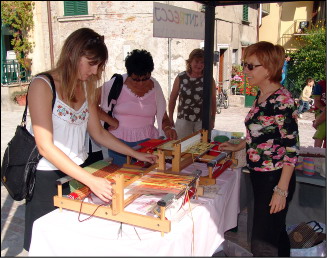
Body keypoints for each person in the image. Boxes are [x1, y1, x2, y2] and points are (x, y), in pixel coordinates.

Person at [25, 28, 156, 251]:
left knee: (73, 242)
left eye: (99, 65)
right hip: (47, 176)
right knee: (47, 244)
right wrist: (91, 180)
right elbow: (45, 146)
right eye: (91, 63)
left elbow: (98, 133)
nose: (95, 71)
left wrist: (135, 153)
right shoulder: (42, 85)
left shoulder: (86, 86)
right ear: (73, 54)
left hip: (78, 171)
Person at [219, 41, 299, 257]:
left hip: (275, 178)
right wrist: (238, 145)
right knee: (276, 232)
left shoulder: (282, 100)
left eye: (250, 66)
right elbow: (260, 132)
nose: (245, 70)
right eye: (245, 65)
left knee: (262, 244)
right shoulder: (262, 95)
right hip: (261, 175)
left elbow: (292, 149)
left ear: (268, 68)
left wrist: (281, 191)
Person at [95, 49, 177, 166]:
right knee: (123, 176)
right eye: (136, 79)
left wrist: (168, 128)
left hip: (148, 141)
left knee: (146, 177)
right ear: (129, 74)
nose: (141, 83)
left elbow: (163, 116)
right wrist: (110, 121)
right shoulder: (116, 84)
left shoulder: (156, 88)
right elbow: (89, 101)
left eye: (145, 78)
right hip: (119, 143)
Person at [168, 48, 216, 139]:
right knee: (182, 147)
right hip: (183, 119)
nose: (199, 65)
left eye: (202, 62)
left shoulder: (209, 79)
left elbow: (213, 100)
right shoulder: (181, 77)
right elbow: (173, 98)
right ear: (190, 62)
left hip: (202, 120)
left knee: (201, 147)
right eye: (197, 61)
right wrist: (170, 117)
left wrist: (212, 119)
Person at [312, 79, 326, 148]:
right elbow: (316, 101)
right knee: (323, 128)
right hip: (321, 110)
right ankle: (317, 151)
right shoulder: (320, 85)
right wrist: (323, 109)